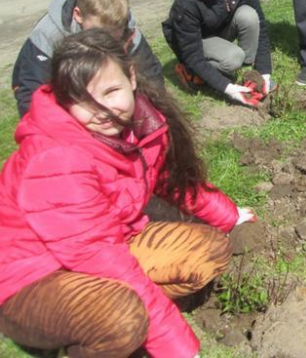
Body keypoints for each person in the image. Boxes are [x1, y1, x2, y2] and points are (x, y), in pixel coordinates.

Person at [0, 29, 257, 357]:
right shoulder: (57, 157)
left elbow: (173, 182)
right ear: (65, 101)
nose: (102, 110)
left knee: (209, 250)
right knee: (123, 319)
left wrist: (230, 216)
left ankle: (109, 315)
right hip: (30, 280)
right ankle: (90, 335)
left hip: (100, 247)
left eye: (110, 91)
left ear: (131, 77)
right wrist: (178, 347)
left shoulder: (139, 126)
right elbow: (99, 257)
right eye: (82, 100)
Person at [12, 0, 163, 117]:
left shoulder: (127, 29)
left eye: (115, 32)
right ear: (78, 15)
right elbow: (31, 94)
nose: (106, 41)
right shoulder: (49, 34)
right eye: (100, 32)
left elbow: (151, 77)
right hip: (58, 87)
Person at [162, 0, 273, 106]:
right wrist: (228, 88)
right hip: (195, 44)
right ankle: (191, 73)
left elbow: (261, 27)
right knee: (233, 57)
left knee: (249, 16)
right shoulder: (186, 4)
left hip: (217, 31)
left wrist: (264, 73)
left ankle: (246, 72)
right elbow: (193, 54)